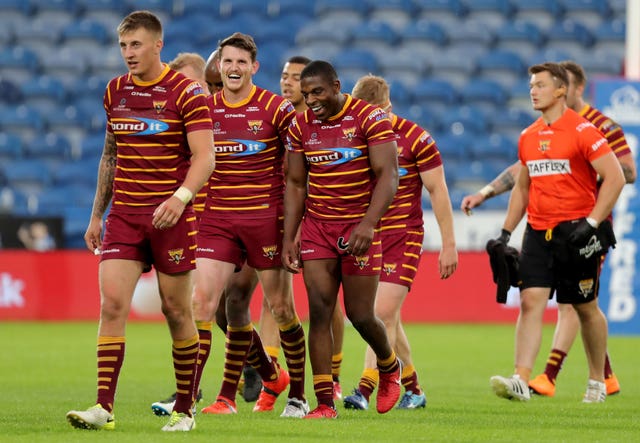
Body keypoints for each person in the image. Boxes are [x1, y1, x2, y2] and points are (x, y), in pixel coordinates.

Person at [66, 10, 215, 432]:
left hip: (172, 219)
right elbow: (110, 155)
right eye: (123, 46)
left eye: (136, 45)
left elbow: (206, 157)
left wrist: (180, 198)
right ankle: (103, 407)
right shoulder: (115, 91)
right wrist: (98, 214)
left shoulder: (186, 92)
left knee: (175, 310)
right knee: (112, 305)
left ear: (157, 46)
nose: (128, 54)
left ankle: (185, 409)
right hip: (126, 218)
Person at [462, 61, 635, 397]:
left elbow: (616, 177)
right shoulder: (528, 136)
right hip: (538, 233)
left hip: (577, 234)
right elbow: (523, 188)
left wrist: (592, 223)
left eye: (540, 85)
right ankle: (521, 379)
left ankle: (598, 380)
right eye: (531, 86)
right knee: (530, 301)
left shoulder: (585, 131)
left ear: (561, 90)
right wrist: (506, 232)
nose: (533, 91)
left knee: (584, 307)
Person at [194, 32, 308, 418]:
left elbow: (300, 168)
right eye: (228, 61)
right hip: (219, 220)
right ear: (220, 65)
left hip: (266, 221)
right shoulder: (204, 109)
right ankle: (206, 399)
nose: (234, 68)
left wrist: (295, 228)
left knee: (281, 309)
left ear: (254, 67)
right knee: (209, 305)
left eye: (242, 62)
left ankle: (297, 395)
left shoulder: (277, 109)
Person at [283, 60, 402, 418]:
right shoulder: (300, 125)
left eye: (318, 92)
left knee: (360, 314)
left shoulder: (369, 118)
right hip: (319, 229)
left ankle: (389, 365)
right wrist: (290, 236)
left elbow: (389, 176)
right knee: (319, 312)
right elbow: (295, 183)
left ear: (336, 86)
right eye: (306, 95)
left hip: (358, 227)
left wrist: (368, 225)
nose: (312, 100)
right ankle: (323, 404)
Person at [343, 75, 458, 411]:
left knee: (377, 313)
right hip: (367, 236)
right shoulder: (351, 137)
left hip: (402, 237)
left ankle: (364, 388)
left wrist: (449, 245)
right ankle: (414, 387)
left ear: (387, 108)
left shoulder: (416, 138)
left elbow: (438, 191)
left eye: (372, 114)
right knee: (387, 317)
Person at [252, 55, 347, 400]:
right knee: (272, 299)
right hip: (274, 211)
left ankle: (332, 375)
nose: (287, 83)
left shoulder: (318, 117)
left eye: (295, 77)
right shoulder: (271, 114)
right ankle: (270, 379)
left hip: (317, 215)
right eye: (284, 75)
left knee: (327, 300)